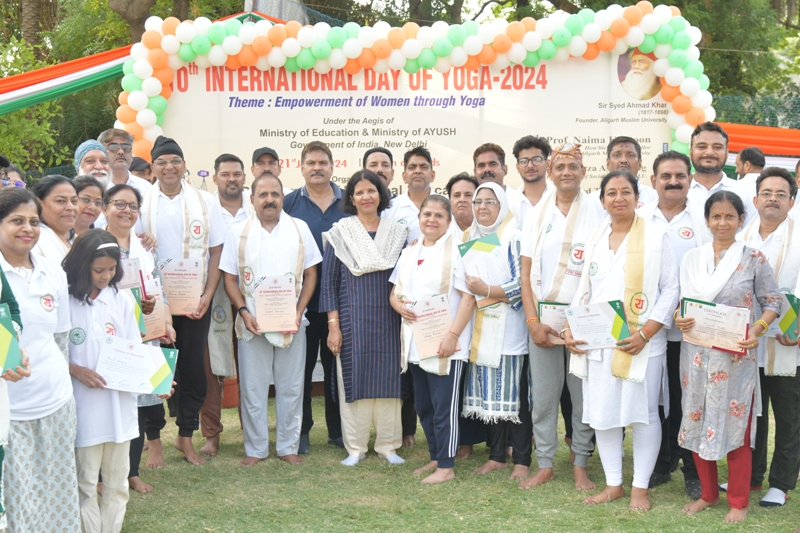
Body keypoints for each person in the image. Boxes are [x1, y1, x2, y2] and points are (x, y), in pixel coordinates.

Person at [564, 170, 679, 511]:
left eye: (625, 192)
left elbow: (671, 288)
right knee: (603, 413)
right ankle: (614, 483)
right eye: (611, 193)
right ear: (602, 201)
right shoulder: (596, 238)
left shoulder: (657, 236)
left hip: (643, 342)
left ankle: (639, 487)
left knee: (643, 415)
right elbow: (582, 291)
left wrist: (646, 332)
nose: (618, 198)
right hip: (600, 342)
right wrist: (572, 328)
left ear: (636, 196)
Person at [677, 191, 782, 523]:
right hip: (696, 356)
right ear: (707, 221)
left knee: (737, 427)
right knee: (695, 421)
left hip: (736, 359)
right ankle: (708, 494)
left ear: (740, 220)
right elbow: (685, 305)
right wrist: (680, 319)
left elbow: (773, 301)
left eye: (730, 216)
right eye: (716, 216)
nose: (723, 222)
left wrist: (760, 327)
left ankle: (738, 501)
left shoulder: (754, 258)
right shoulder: (692, 258)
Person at [221, 173, 321, 466]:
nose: (269, 200)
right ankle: (256, 449)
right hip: (252, 325)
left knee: (291, 386)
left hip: (292, 323)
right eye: (262, 194)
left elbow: (312, 272)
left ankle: (287, 446)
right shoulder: (238, 232)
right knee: (253, 387)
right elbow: (229, 278)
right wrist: (243, 311)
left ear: (282, 198)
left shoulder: (299, 228)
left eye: (275, 194)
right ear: (251, 199)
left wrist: (300, 309)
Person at [519, 142, 603, 491]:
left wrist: (581, 319)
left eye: (573, 167)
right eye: (560, 167)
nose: (566, 172)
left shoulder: (598, 212)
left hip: (584, 320)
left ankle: (581, 462)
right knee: (544, 395)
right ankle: (546, 463)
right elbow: (524, 274)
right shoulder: (536, 214)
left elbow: (604, 271)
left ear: (583, 173)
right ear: (550, 174)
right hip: (543, 320)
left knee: (582, 395)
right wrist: (532, 322)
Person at [140, 136, 226, 465]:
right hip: (152, 301)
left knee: (191, 368)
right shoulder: (140, 202)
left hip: (194, 302)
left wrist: (207, 294)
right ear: (153, 168)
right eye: (161, 162)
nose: (169, 166)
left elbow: (217, 249)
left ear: (184, 165)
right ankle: (154, 441)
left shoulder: (205, 202)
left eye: (175, 160)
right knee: (155, 368)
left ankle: (185, 437)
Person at [65, 229, 154, 533]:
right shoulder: (67, 300)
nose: (105, 276)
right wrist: (76, 370)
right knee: (86, 482)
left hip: (119, 405)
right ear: (81, 265)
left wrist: (155, 380)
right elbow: (53, 352)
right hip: (83, 407)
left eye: (112, 270)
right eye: (98, 270)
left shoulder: (122, 298)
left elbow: (135, 351)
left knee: (117, 482)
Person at [321, 170, 409, 466]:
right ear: (351, 199)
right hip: (350, 321)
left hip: (389, 320)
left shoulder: (397, 233)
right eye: (359, 192)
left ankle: (388, 445)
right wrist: (333, 326)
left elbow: (405, 279)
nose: (366, 196)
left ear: (381, 195)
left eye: (371, 190)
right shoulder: (340, 234)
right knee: (353, 383)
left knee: (388, 383)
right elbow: (329, 283)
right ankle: (355, 448)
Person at [390, 195, 476, 483]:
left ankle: (446, 467)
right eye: (427, 214)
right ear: (419, 218)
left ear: (449, 221)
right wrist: (399, 306)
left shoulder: (458, 251)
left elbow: (469, 298)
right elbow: (395, 292)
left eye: (439, 215)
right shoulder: (409, 252)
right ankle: (436, 456)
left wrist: (453, 336)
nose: (431, 220)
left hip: (445, 344)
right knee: (424, 406)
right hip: (416, 342)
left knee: (444, 407)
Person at [638, 151, 710, 498]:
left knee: (686, 399)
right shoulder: (639, 218)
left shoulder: (701, 223)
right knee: (655, 400)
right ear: (653, 181)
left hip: (688, 329)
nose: (673, 181)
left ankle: (692, 469)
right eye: (665, 176)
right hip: (647, 328)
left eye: (680, 175)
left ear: (690, 180)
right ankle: (660, 463)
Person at [0, 189, 67, 531]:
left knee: (57, 492)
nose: (27, 229)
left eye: (34, 222)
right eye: (16, 221)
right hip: (10, 410)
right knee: (16, 499)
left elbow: (61, 337)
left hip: (55, 400)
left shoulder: (53, 271)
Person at [103, 184, 176, 493]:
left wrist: (168, 322)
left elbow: (157, 287)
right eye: (119, 204)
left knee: (139, 407)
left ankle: (131, 472)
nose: (127, 211)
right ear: (105, 207)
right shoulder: (95, 244)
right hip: (109, 338)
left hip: (146, 334)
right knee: (109, 405)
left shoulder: (145, 247)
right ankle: (101, 475)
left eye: (133, 207)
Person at [737, 167, 800, 507]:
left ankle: (782, 481)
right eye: (767, 193)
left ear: (792, 201)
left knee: (789, 414)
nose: (773, 199)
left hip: (789, 341)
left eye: (781, 194)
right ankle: (752, 476)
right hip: (747, 341)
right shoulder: (740, 234)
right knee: (752, 413)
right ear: (755, 199)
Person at [461, 182, 531, 480]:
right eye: (478, 202)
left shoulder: (514, 237)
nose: (483, 207)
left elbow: (523, 284)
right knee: (490, 395)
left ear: (502, 206)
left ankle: (523, 460)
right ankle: (497, 456)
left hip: (510, 329)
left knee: (515, 398)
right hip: (481, 328)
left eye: (490, 202)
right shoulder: (468, 239)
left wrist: (487, 289)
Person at [284, 140, 348, 454]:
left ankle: (339, 432)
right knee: (302, 370)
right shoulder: (288, 203)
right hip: (302, 303)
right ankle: (302, 431)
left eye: (323, 162)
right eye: (311, 163)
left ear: (333, 166)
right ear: (302, 167)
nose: (317, 167)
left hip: (342, 302)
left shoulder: (349, 200)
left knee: (338, 370)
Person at [199, 153, 253, 458]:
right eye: (225, 174)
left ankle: (252, 431)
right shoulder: (205, 208)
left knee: (251, 361)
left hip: (250, 291)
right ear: (216, 178)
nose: (231, 179)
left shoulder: (256, 205)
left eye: (236, 174)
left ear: (244, 178)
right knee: (211, 364)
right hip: (215, 289)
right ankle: (212, 434)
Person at [688, 122, 757, 226]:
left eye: (717, 147)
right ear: (691, 152)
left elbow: (749, 236)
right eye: (702, 147)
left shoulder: (746, 194)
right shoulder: (677, 193)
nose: (709, 152)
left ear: (727, 153)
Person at [382, 145, 435, 243]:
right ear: (404, 177)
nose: (418, 171)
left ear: (432, 175)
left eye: (423, 167)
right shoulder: (390, 208)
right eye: (412, 167)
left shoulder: (447, 205)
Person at [590, 137, 657, 208]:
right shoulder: (592, 201)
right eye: (616, 155)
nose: (623, 160)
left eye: (630, 155)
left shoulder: (655, 197)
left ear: (640, 163)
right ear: (608, 163)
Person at [473, 143, 528, 229]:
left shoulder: (521, 203)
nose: (487, 169)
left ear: (504, 169)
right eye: (481, 166)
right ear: (475, 172)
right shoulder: (468, 204)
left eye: (492, 164)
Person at [33, 175, 78, 263]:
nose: (70, 207)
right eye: (60, 201)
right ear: (39, 203)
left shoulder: (79, 240)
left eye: (74, 201)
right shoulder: (35, 243)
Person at [511, 135, 554, 223]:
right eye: (524, 161)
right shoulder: (509, 204)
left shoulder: (560, 198)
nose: (530, 165)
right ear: (517, 167)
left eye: (536, 159)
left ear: (547, 163)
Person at [98, 129, 153, 196]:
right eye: (114, 147)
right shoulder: (95, 185)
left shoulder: (146, 187)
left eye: (126, 147)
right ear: (101, 152)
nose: (121, 151)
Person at [445, 173, 479, 238]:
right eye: (457, 195)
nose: (462, 200)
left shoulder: (488, 229)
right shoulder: (441, 231)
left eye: (468, 195)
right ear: (449, 201)